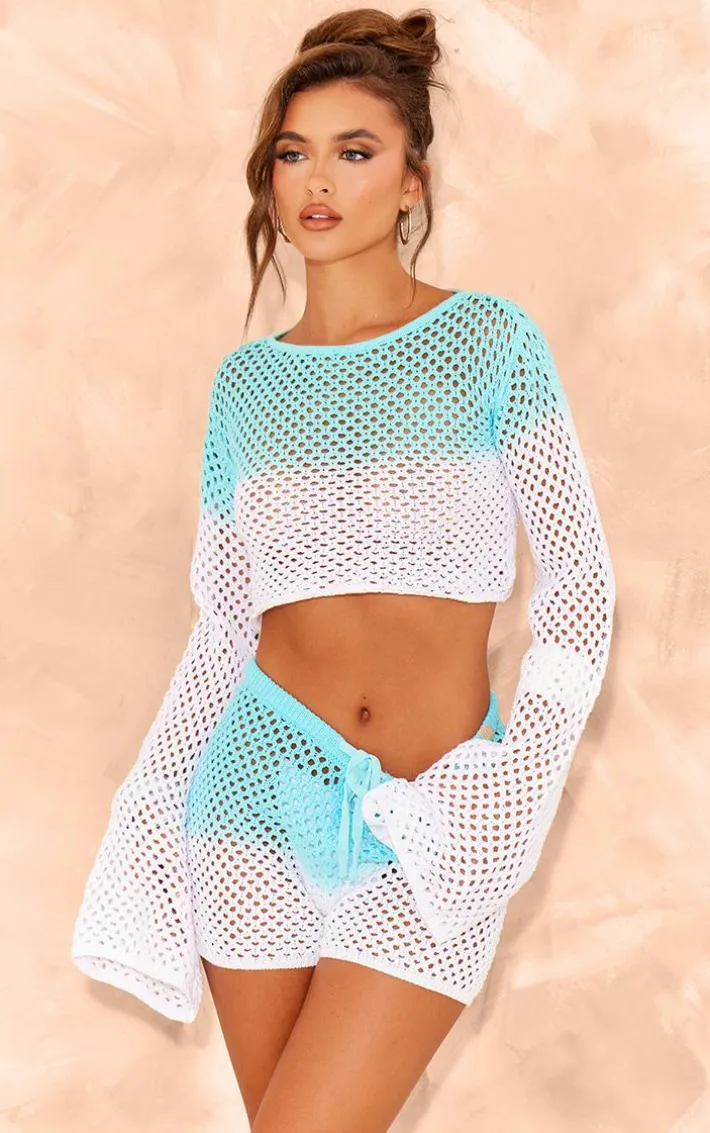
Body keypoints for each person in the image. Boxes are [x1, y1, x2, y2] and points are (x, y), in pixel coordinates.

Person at [71, 8, 616, 1132]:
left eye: (354, 151)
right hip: (251, 804)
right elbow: (226, 624)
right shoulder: (246, 388)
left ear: (413, 182)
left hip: (435, 810)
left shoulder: (491, 344)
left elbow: (578, 592)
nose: (317, 180)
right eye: (293, 152)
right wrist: (155, 804)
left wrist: (507, 788)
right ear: (270, 180)